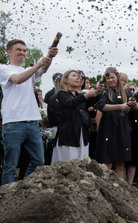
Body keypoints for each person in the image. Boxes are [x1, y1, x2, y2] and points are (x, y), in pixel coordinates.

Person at [0, 39, 58, 184]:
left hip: (32, 122)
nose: (22, 53)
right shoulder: (4, 69)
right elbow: (18, 79)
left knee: (39, 160)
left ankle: (22, 188)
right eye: (18, 50)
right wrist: (39, 63)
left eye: (24, 51)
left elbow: (42, 69)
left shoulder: (27, 70)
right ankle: (6, 198)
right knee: (11, 165)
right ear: (9, 52)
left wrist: (50, 56)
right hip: (13, 122)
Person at [51, 70, 102, 164]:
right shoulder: (61, 94)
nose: (78, 78)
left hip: (81, 134)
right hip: (68, 135)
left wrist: (98, 92)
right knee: (67, 163)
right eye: (74, 75)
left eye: (78, 76)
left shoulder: (80, 96)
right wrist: (86, 95)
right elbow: (72, 102)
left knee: (82, 163)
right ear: (65, 80)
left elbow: (91, 101)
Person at [95, 67, 138, 178]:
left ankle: (120, 190)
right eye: (107, 78)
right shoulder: (104, 92)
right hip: (108, 129)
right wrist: (120, 106)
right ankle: (106, 187)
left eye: (112, 77)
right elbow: (102, 106)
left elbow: (137, 107)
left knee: (120, 162)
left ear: (117, 77)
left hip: (123, 128)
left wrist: (133, 104)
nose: (110, 80)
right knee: (108, 162)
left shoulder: (126, 92)